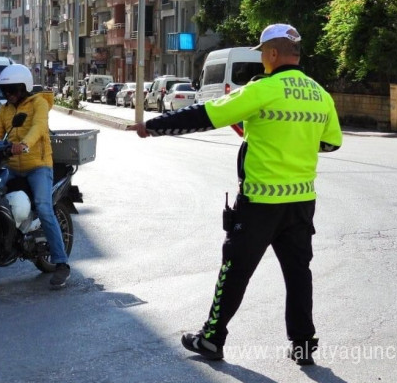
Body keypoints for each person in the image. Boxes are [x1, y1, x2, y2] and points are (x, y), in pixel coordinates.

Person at [128, 23, 342, 365]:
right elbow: (331, 142)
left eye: (263, 56)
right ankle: (303, 346)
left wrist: (153, 126)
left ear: (272, 54)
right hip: (301, 203)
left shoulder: (263, 89)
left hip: (260, 202)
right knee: (299, 273)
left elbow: (206, 114)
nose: (263, 62)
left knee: (235, 270)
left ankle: (212, 339)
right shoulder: (320, 93)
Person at [0, 64, 71, 289]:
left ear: (23, 87)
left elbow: (38, 128)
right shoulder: (5, 109)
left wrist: (24, 144)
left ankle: (62, 263)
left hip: (38, 166)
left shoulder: (39, 104)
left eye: (12, 89)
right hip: (12, 167)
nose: (9, 94)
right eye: (5, 90)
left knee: (44, 208)